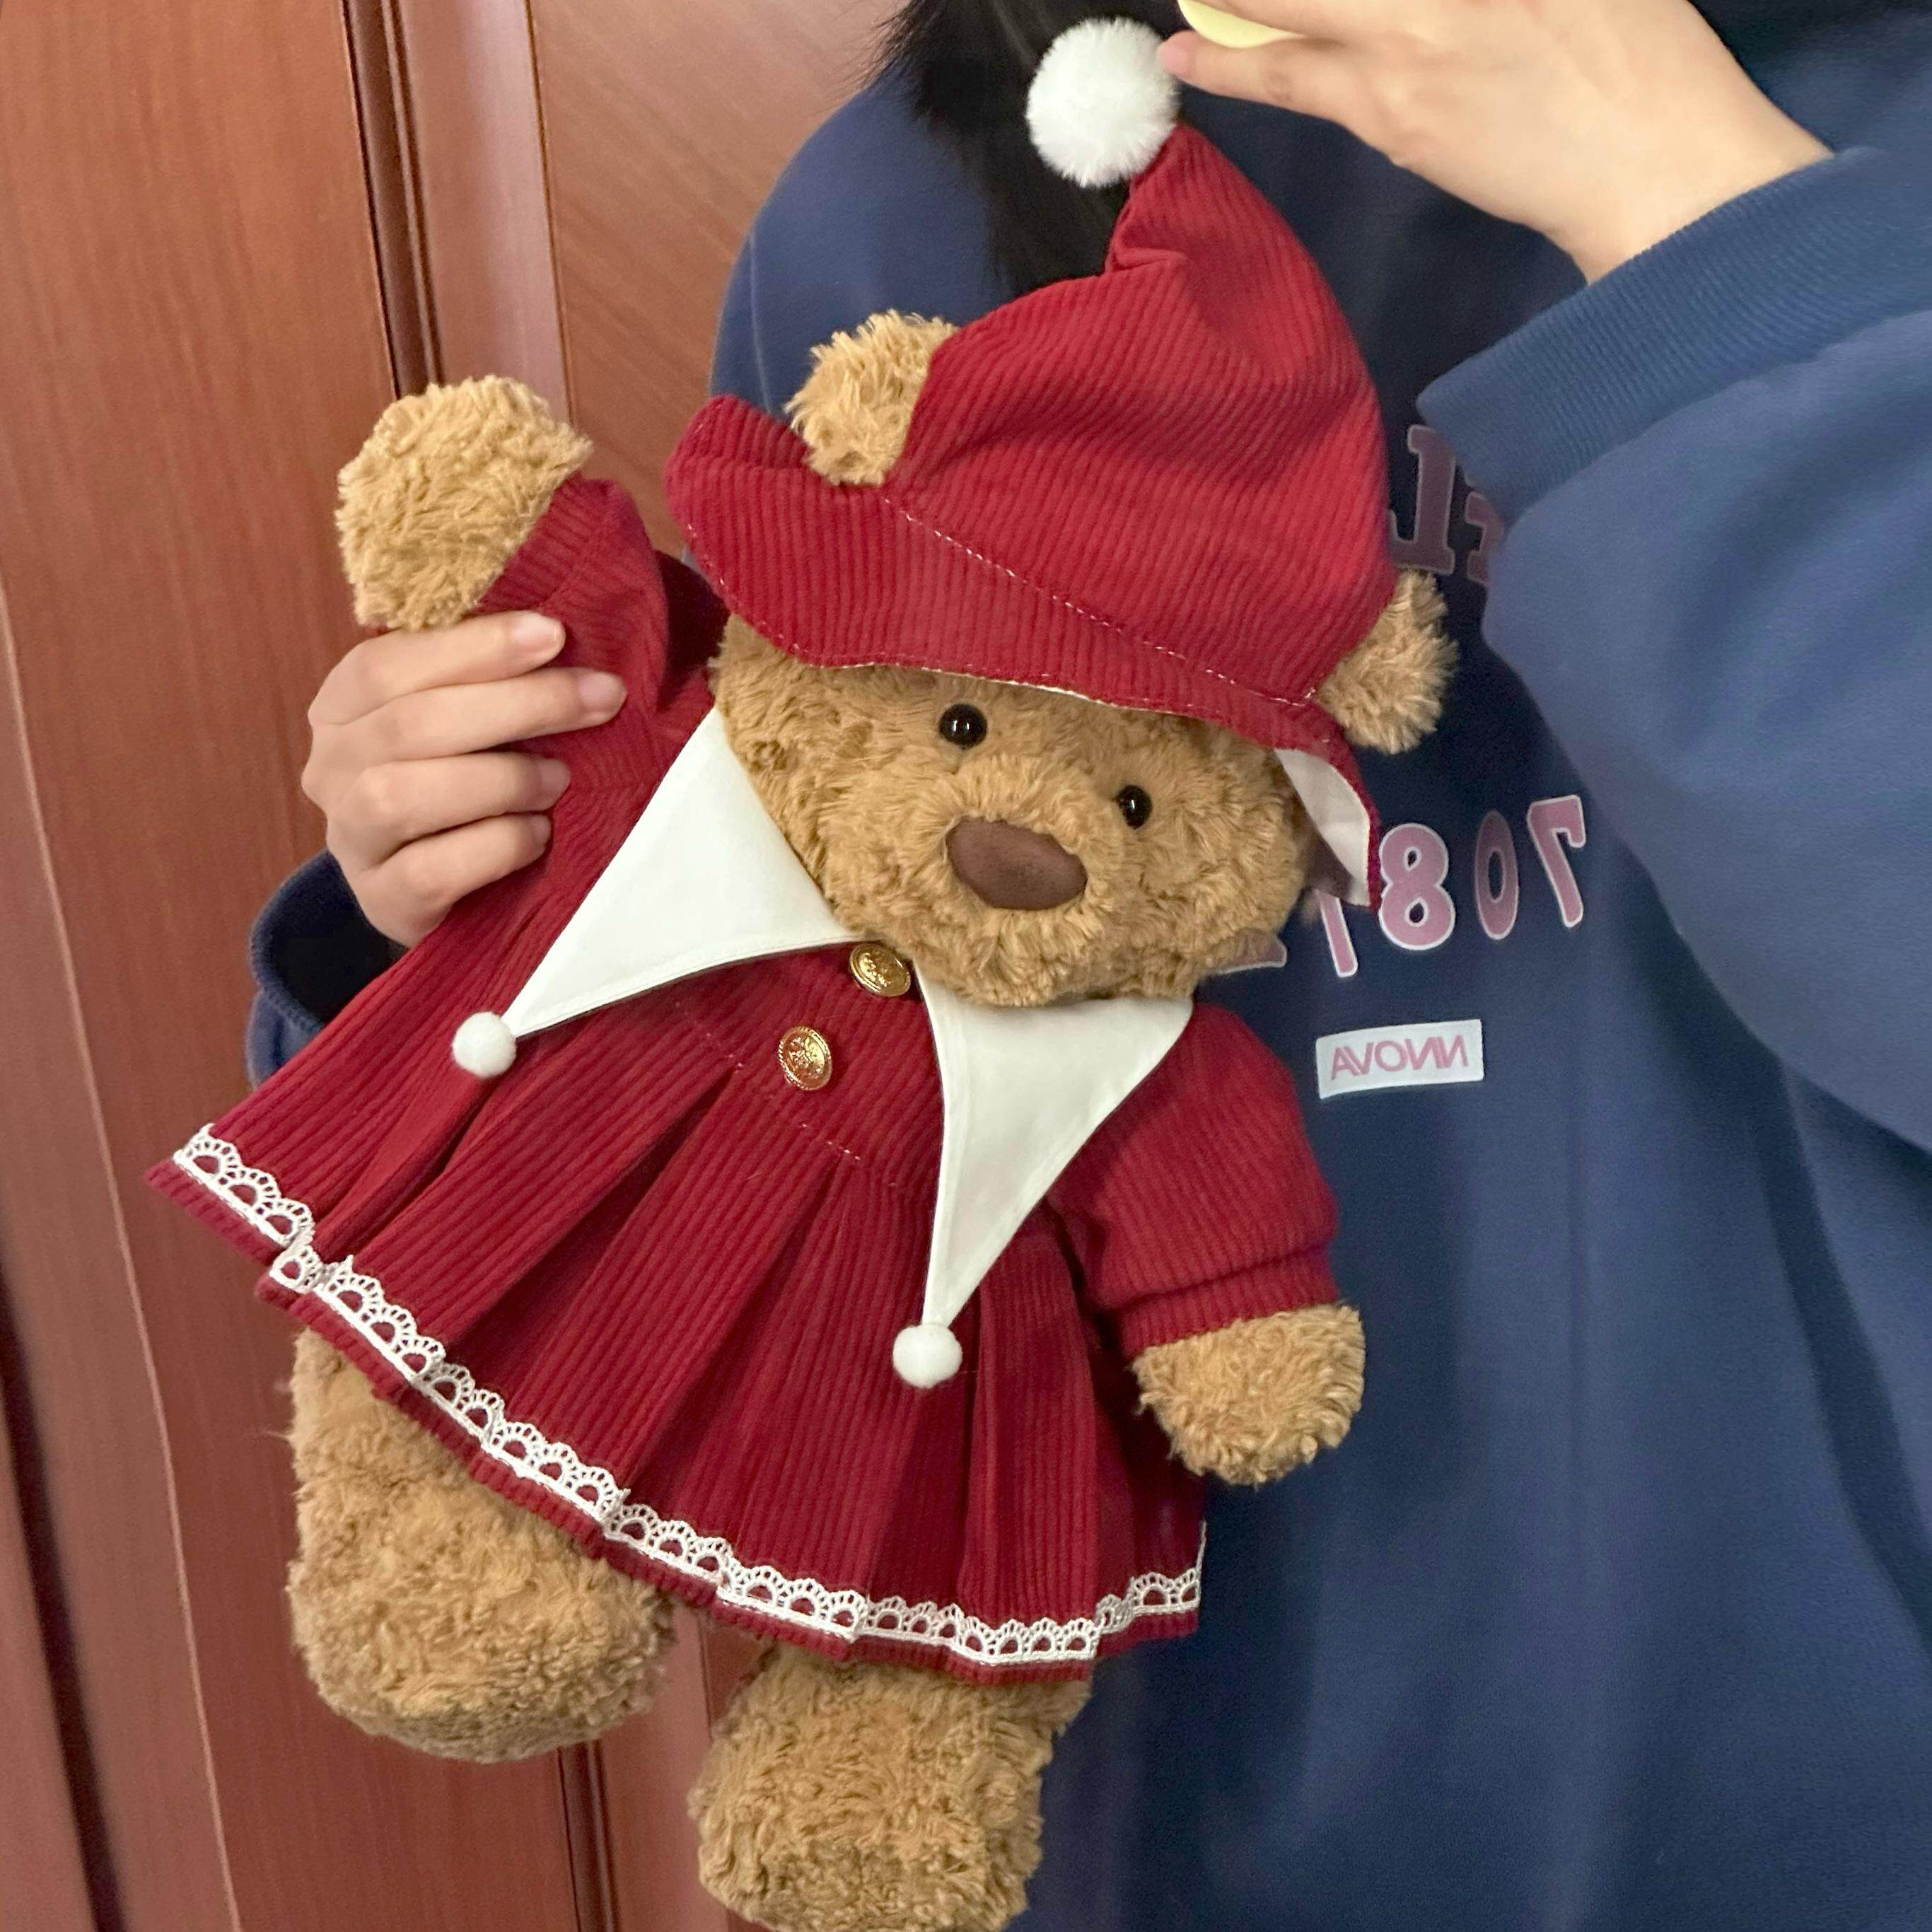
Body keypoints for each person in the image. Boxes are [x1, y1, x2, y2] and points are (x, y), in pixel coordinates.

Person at [274, 1, 1932, 1926]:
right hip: (1154, 1799)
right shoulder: (906, 215)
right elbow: (788, 1008)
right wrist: (472, 884)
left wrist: (1680, 198)